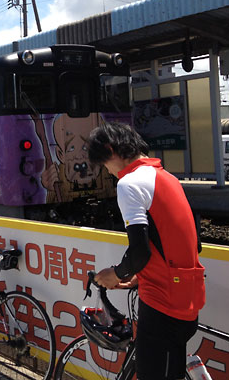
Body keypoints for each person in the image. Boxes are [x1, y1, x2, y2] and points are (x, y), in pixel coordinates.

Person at [88, 122, 205, 380]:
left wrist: (116, 274)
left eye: (104, 164)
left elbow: (140, 252)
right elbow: (190, 243)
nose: (107, 172)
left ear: (111, 149)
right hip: (187, 301)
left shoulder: (129, 183)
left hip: (162, 306)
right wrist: (140, 275)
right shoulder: (168, 178)